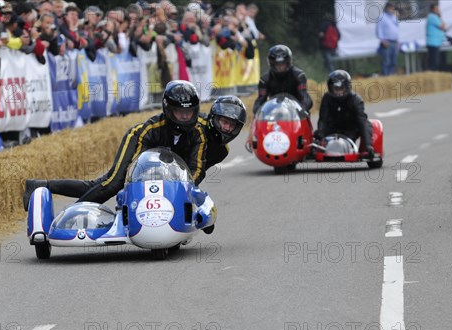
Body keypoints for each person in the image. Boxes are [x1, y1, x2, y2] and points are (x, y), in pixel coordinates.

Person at [22, 93, 247, 211]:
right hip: (143, 145)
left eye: (232, 125)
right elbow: (136, 169)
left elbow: (194, 172)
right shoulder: (172, 126)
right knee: (112, 183)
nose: (226, 128)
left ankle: (42, 185)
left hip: (168, 161)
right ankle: (74, 217)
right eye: (223, 121)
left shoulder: (219, 149)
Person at [315, 70, 375, 158]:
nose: (339, 92)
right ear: (331, 88)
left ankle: (368, 148)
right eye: (336, 89)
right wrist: (320, 136)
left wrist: (367, 145)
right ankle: (318, 148)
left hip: (351, 129)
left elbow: (362, 122)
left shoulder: (355, 99)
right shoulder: (327, 98)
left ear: (347, 87)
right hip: (333, 129)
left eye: (341, 88)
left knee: (368, 125)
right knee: (316, 134)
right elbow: (323, 120)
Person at [252, 44, 313, 115]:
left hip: (296, 113)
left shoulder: (299, 76)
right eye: (277, 65)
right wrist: (258, 111)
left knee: (306, 114)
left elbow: (304, 96)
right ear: (272, 64)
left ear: (288, 62)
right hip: (274, 113)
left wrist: (303, 109)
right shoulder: (264, 80)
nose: (280, 67)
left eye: (282, 64)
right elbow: (260, 100)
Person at [376, 2, 400, 76]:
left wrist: (398, 40)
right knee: (386, 61)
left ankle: (391, 76)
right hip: (386, 42)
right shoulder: (382, 17)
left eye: (393, 8)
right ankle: (385, 76)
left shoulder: (394, 17)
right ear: (386, 8)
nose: (392, 9)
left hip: (394, 42)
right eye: (390, 8)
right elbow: (378, 30)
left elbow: (396, 29)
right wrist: (382, 40)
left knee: (394, 61)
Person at [426, 3, 446, 71]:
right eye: (436, 9)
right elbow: (442, 26)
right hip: (433, 43)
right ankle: (432, 74)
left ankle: (434, 73)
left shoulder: (435, 17)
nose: (438, 10)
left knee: (436, 61)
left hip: (436, 42)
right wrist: (440, 16)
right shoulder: (432, 16)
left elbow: (443, 26)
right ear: (432, 9)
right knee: (434, 62)